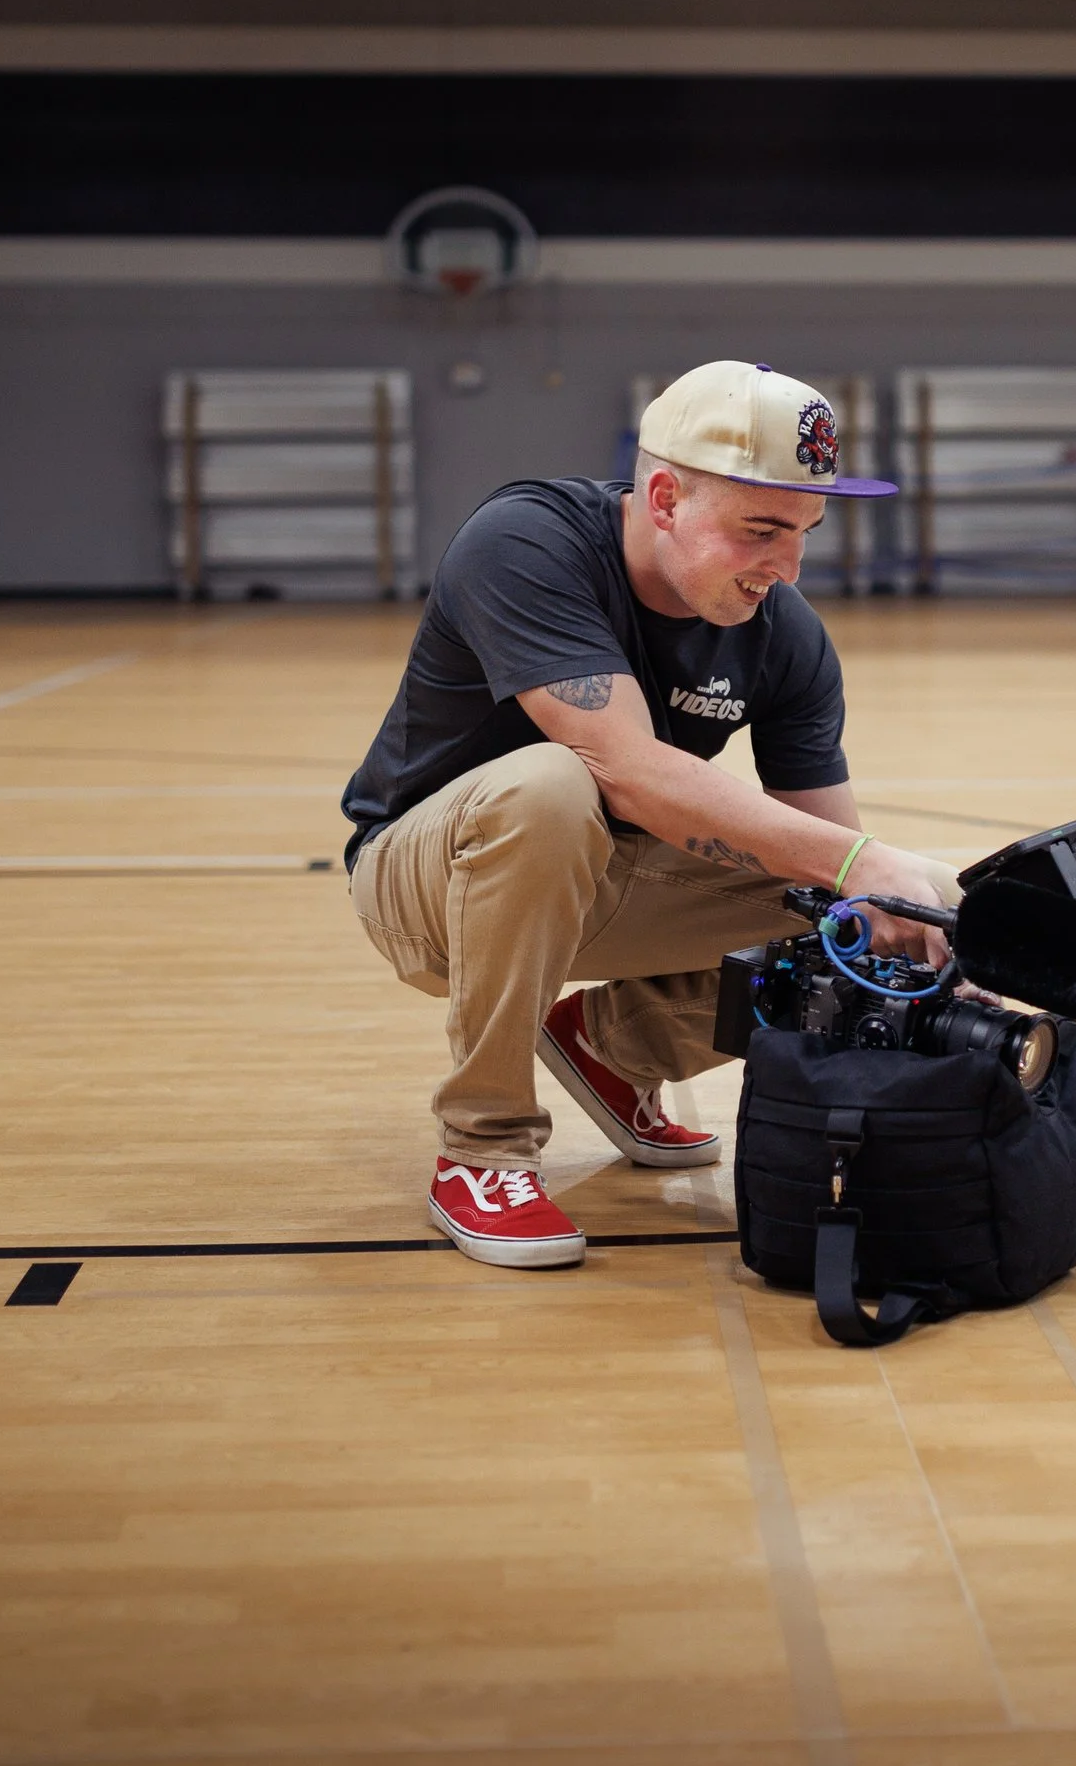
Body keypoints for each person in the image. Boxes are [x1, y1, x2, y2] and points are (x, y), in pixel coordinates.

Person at [341, 361, 960, 1270]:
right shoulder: (525, 542)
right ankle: (484, 1147)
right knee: (553, 785)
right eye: (761, 530)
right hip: (427, 887)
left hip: (607, 880)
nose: (787, 568)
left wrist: (921, 934)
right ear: (665, 498)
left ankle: (614, 1048)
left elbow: (836, 867)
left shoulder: (785, 634)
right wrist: (858, 860)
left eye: (805, 533)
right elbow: (624, 771)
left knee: (899, 907)